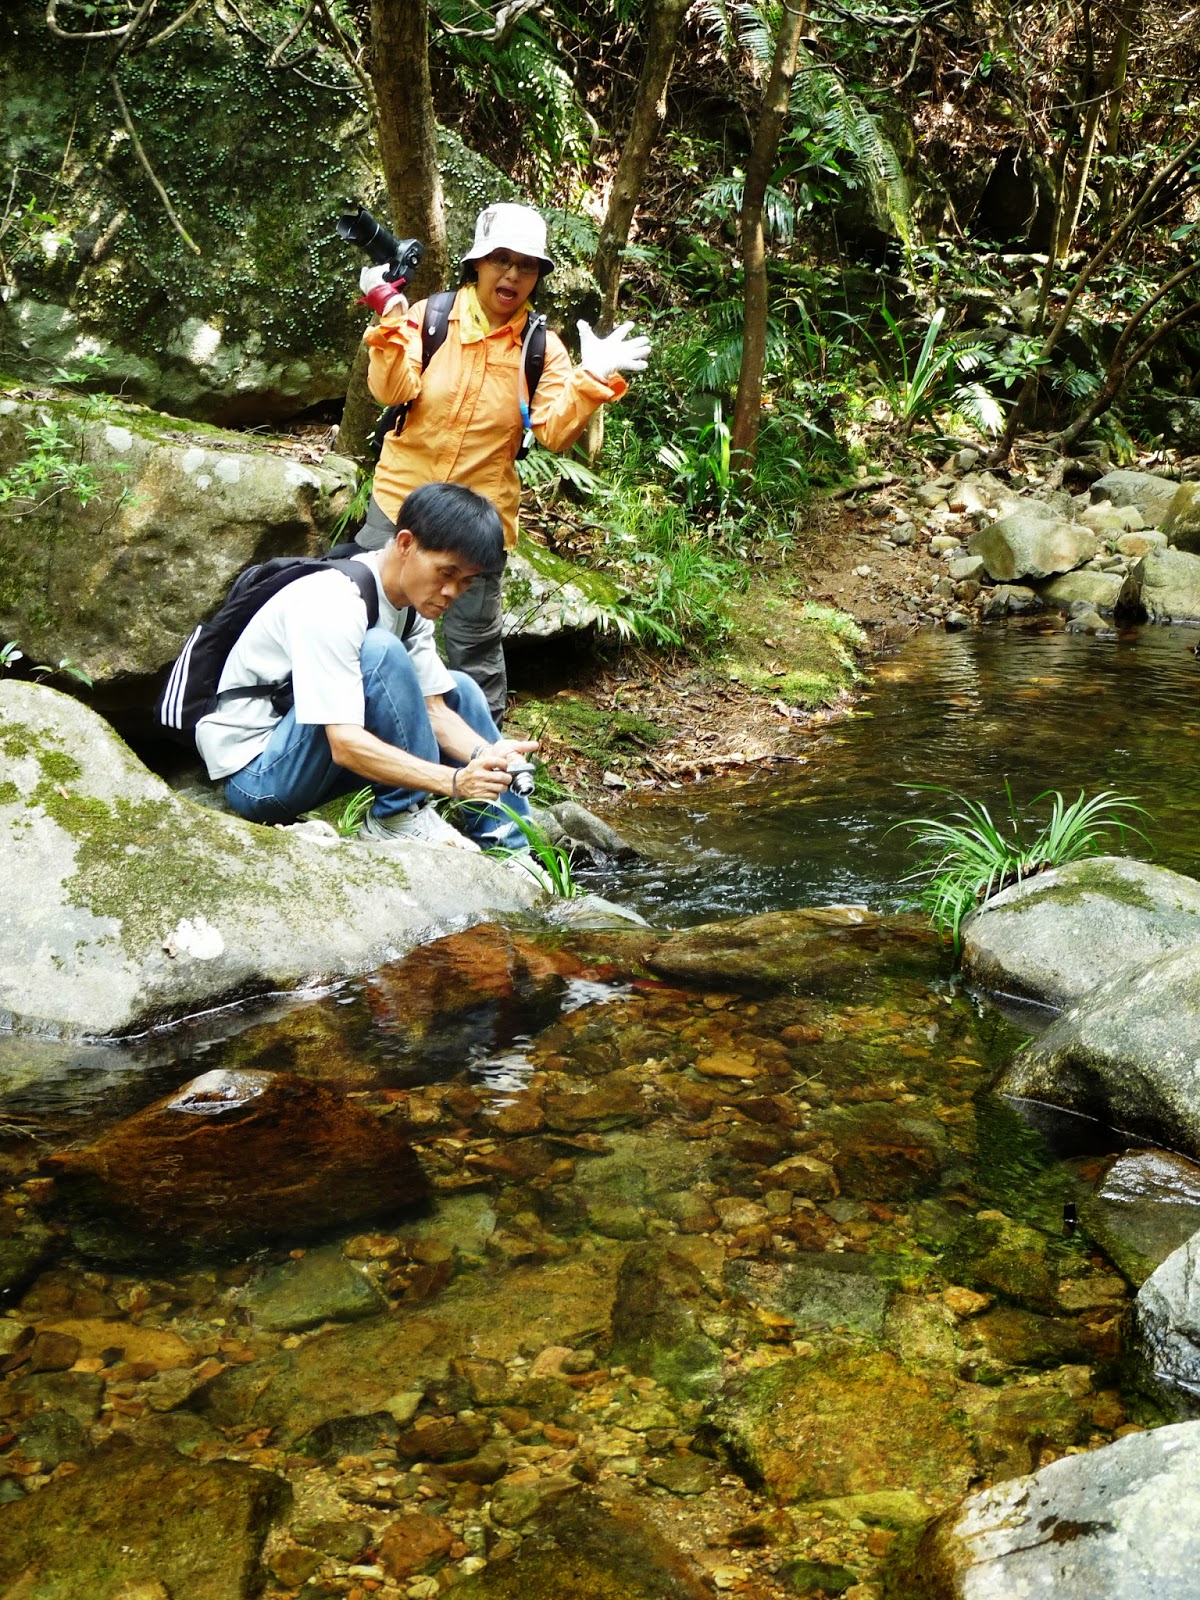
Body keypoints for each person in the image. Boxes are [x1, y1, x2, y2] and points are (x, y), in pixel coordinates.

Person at [353, 201, 651, 722]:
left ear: (537, 275)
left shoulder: (541, 349)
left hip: (478, 520)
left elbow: (554, 433)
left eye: (526, 264)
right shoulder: (431, 318)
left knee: (473, 645)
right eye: (501, 259)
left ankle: (486, 752)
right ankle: (356, 734)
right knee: (365, 618)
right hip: (399, 503)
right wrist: (392, 318)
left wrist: (591, 377)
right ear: (478, 263)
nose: (512, 274)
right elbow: (391, 390)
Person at [194, 480, 544, 872]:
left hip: (306, 757)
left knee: (459, 689)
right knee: (379, 652)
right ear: (406, 543)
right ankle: (399, 816)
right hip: (257, 776)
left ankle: (512, 853)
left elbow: (435, 711)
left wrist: (487, 754)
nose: (451, 592)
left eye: (465, 582)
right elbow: (344, 744)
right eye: (446, 573)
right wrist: (453, 782)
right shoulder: (335, 600)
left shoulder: (410, 607)